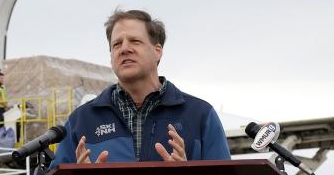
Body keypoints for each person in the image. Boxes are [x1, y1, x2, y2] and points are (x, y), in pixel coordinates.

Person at [52, 9, 230, 165]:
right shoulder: (80, 121)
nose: (124, 49)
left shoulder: (200, 115)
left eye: (135, 41)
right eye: (117, 44)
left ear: (157, 51)